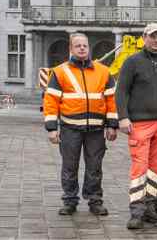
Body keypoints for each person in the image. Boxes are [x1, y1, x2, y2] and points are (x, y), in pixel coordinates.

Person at [43, 33, 118, 216]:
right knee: (70, 166)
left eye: (85, 45)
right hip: (69, 128)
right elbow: (51, 101)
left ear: (88, 48)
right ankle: (70, 200)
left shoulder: (103, 71)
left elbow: (111, 100)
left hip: (96, 129)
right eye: (78, 46)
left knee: (95, 166)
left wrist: (112, 125)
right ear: (71, 49)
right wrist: (52, 128)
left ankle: (95, 200)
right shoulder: (60, 72)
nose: (82, 48)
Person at [114, 23, 157, 230]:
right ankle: (137, 211)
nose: (156, 40)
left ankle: (151, 209)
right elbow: (121, 91)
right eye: (152, 36)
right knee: (140, 168)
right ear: (144, 37)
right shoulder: (132, 62)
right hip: (139, 123)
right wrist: (123, 117)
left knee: (156, 169)